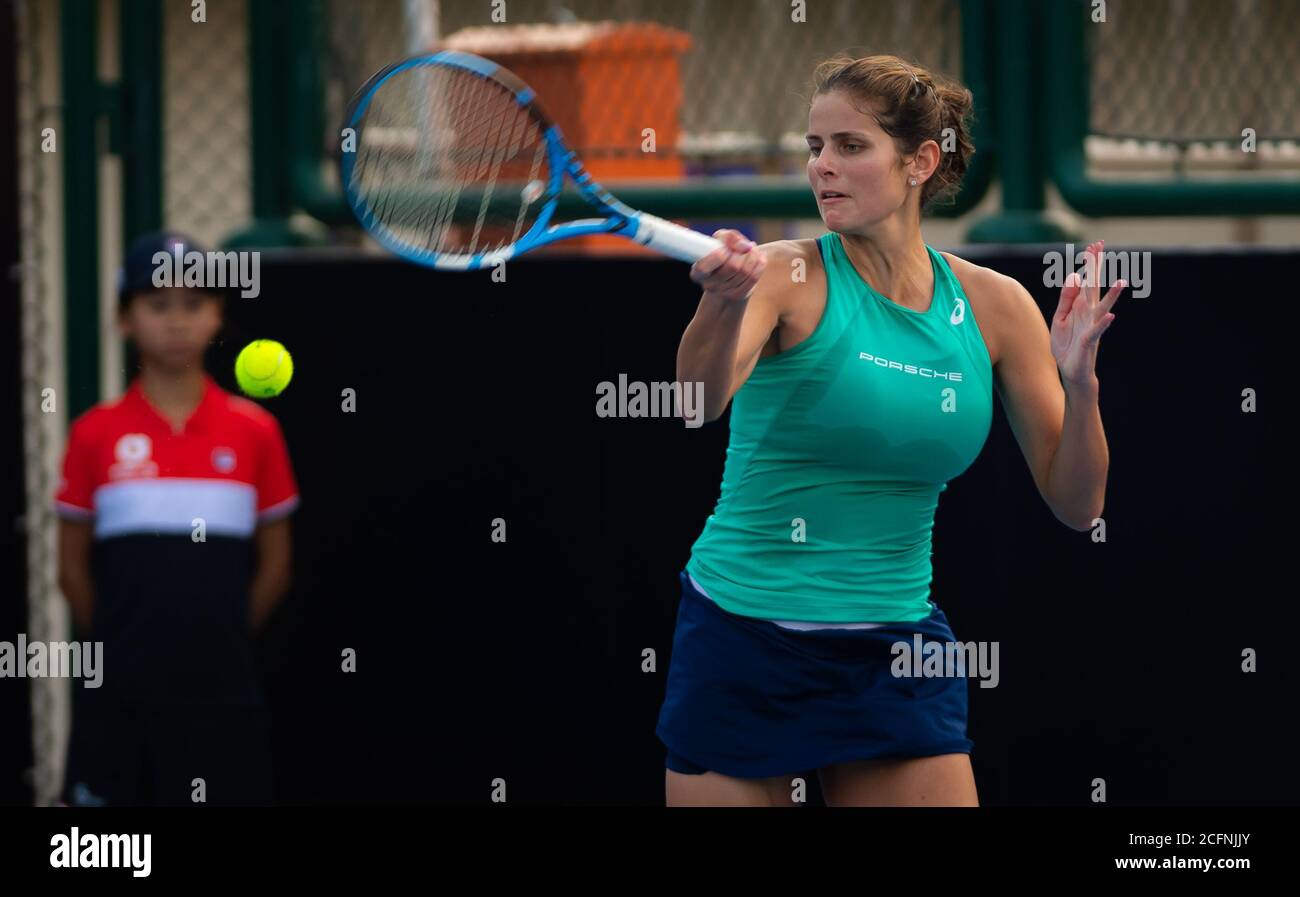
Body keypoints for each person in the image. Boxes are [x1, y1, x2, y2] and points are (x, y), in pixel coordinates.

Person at [657, 55, 1122, 806]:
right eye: (814, 148)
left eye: (849, 146)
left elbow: (1079, 506)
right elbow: (692, 404)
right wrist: (718, 303)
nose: (823, 168)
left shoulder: (997, 306)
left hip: (895, 653)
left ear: (920, 161)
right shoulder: (781, 273)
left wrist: (1080, 384)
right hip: (742, 641)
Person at [55, 231, 299, 806]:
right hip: (118, 694)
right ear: (124, 319)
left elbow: (277, 565)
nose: (176, 321)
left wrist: (218, 638)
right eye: (157, 304)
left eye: (193, 304)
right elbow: (70, 570)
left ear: (217, 316)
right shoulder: (94, 432)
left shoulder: (255, 431)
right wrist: (127, 646)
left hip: (223, 692)